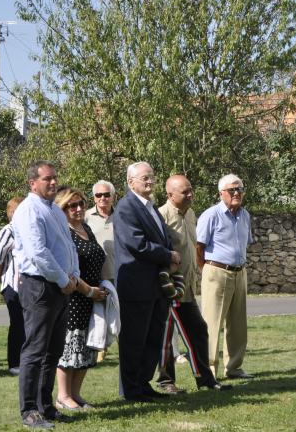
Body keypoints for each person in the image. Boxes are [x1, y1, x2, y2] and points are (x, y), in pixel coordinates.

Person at [11, 161, 80, 429]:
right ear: (33, 183)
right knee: (36, 350)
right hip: (40, 286)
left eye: (55, 178)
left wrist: (72, 275)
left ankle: (45, 406)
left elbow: (69, 246)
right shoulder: (29, 210)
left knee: (53, 350)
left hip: (61, 286)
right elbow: (39, 253)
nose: (53, 183)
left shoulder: (54, 210)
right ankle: (29, 410)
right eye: (47, 179)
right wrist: (64, 279)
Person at [157, 176, 233, 394]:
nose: (190, 195)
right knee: (166, 337)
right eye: (185, 192)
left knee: (199, 331)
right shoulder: (161, 216)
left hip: (188, 287)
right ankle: (165, 382)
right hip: (170, 288)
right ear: (170, 195)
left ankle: (205, 380)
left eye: (191, 190)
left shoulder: (190, 214)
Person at [114, 162, 180, 402]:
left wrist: (171, 256)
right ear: (131, 182)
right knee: (134, 340)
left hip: (155, 286)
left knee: (152, 339)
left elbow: (164, 238)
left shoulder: (151, 207)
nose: (150, 182)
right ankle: (130, 389)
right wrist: (167, 255)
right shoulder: (126, 207)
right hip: (136, 286)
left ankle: (143, 384)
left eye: (152, 177)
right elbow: (136, 243)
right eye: (145, 178)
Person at [196, 173, 255, 379]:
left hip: (239, 272)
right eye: (232, 190)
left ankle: (234, 368)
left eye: (239, 189)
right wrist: (206, 271)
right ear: (221, 193)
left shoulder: (245, 215)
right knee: (212, 323)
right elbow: (199, 246)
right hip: (216, 271)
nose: (236, 193)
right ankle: (209, 370)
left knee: (238, 324)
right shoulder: (211, 215)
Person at [55, 188, 108, 410]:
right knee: (70, 347)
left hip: (93, 297)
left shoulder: (86, 228)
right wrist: (89, 291)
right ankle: (63, 396)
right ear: (62, 208)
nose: (78, 208)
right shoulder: (63, 233)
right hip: (73, 298)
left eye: (81, 204)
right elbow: (67, 271)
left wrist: (105, 287)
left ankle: (76, 394)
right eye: (72, 205)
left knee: (86, 346)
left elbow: (98, 260)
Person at [0, 197, 26, 375]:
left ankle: (27, 360)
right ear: (13, 213)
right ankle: (14, 363)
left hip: (29, 286)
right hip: (13, 285)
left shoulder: (29, 230)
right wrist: (3, 275)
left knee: (29, 324)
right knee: (18, 323)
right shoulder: (9, 231)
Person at [86, 180, 116, 363]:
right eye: (99, 195)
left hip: (121, 272)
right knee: (99, 312)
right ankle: (100, 349)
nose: (103, 198)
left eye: (106, 194)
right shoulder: (86, 216)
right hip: (97, 273)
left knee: (119, 312)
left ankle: (124, 346)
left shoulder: (122, 214)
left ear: (113, 196)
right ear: (94, 197)